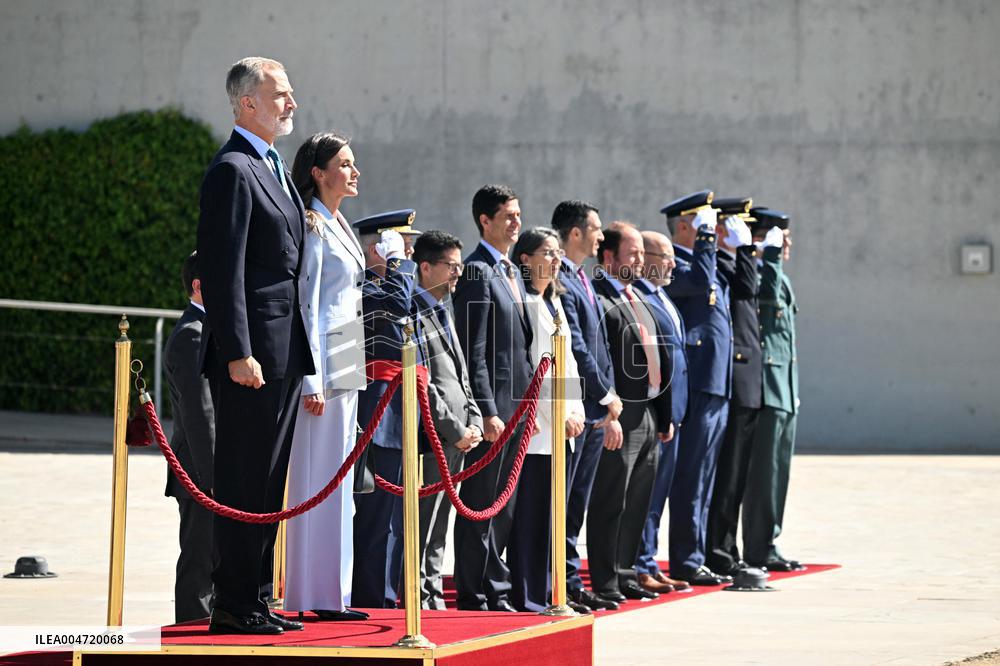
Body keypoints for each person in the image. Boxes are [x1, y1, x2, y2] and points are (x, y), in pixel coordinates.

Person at [196, 56, 311, 634]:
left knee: (270, 480)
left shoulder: (274, 166)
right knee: (243, 478)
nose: (290, 103)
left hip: (283, 351)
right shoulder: (234, 169)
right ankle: (233, 604)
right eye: (280, 95)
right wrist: (238, 350)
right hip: (252, 357)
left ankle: (258, 598)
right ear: (247, 103)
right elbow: (223, 269)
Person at [283, 132, 368, 622]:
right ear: (318, 171)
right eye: (345, 163)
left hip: (346, 357)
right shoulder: (313, 224)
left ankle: (334, 593)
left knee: (340, 485)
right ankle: (308, 594)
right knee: (318, 480)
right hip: (324, 367)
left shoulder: (342, 224)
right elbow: (308, 303)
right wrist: (310, 378)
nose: (354, 171)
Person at [451, 184, 534, 612]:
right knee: (481, 503)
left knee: (504, 506)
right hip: (493, 412)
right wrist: (486, 410)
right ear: (485, 221)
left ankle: (495, 587)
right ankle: (475, 591)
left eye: (518, 214)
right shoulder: (477, 271)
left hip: (517, 408)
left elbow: (518, 349)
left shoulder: (511, 271)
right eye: (508, 216)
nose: (516, 222)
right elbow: (474, 350)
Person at [588, 222, 673, 604]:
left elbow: (659, 355)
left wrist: (665, 413)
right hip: (621, 413)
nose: (640, 260)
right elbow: (600, 361)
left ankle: (625, 573)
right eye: (633, 253)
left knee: (638, 499)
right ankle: (605, 580)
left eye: (642, 253)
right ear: (609, 256)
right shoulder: (600, 299)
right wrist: (610, 414)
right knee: (612, 500)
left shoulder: (636, 296)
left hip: (649, 412)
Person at [507, 227, 587, 613]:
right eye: (548, 252)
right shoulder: (523, 302)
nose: (556, 260)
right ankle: (528, 595)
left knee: (555, 515)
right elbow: (532, 370)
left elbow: (567, 364)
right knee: (532, 517)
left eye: (558, 253)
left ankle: (550, 592)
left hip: (564, 427)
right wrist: (555, 415)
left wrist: (576, 411)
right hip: (539, 429)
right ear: (526, 258)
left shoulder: (553, 302)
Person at [550, 200, 623, 612]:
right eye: (595, 229)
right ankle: (560, 581)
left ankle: (570, 578)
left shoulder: (581, 276)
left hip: (593, 408)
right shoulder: (560, 276)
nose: (600, 237)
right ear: (575, 233)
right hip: (580, 405)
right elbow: (575, 344)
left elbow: (598, 345)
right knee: (564, 500)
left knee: (577, 500)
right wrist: (604, 393)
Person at [662, 190, 734, 587]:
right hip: (698, 381)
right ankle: (686, 560)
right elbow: (700, 282)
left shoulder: (705, 261)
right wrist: (707, 242)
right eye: (705, 223)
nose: (713, 230)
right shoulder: (675, 264)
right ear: (686, 225)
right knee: (690, 476)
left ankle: (700, 553)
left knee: (706, 475)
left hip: (715, 380)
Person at [351, 209, 422, 609]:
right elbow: (395, 308)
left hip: (402, 412)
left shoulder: (396, 284)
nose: (407, 252)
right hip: (376, 415)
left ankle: (391, 596)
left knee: (395, 519)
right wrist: (397, 266)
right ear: (377, 248)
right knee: (375, 518)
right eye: (399, 244)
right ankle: (372, 596)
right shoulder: (369, 288)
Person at [410, 230, 484, 610]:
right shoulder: (412, 312)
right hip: (433, 438)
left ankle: (433, 592)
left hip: (459, 434)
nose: (458, 274)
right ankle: (418, 596)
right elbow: (423, 381)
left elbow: (461, 376)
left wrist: (472, 420)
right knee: (422, 522)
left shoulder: (444, 308)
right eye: (451, 266)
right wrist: (454, 430)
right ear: (425, 267)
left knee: (441, 524)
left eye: (459, 266)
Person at [705, 199, 767, 577]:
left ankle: (728, 548)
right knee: (725, 477)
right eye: (734, 227)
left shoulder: (730, 263)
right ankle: (719, 551)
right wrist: (745, 250)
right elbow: (746, 288)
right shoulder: (721, 264)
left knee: (736, 477)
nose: (740, 235)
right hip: (735, 377)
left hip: (747, 380)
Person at [743, 208, 804, 572]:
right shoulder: (764, 271)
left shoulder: (780, 276)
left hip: (785, 385)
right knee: (763, 475)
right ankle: (757, 547)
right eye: (781, 236)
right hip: (767, 385)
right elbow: (763, 297)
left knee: (778, 471)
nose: (788, 243)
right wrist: (768, 255)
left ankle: (770, 540)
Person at [632, 231, 692, 594]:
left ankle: (649, 561)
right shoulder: (639, 297)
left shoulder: (661, 295)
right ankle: (640, 564)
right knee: (646, 495)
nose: (672, 263)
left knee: (659, 496)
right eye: (665, 255)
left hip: (675, 409)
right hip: (654, 411)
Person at [163, 251, 216, 623]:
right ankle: (190, 634)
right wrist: (215, 480)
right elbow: (201, 416)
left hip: (208, 468)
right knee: (199, 561)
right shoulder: (191, 336)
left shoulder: (208, 330)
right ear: (198, 287)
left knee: (212, 558)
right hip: (200, 470)